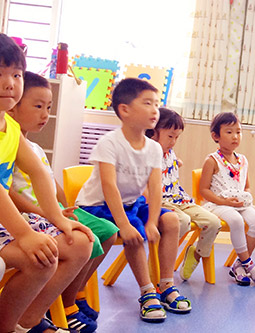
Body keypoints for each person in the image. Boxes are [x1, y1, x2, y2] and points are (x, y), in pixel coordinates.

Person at [8, 71, 119, 332]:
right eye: (37, 106)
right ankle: (64, 304)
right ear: (13, 109)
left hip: (50, 212)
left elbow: (48, 181)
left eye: (48, 107)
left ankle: (74, 294)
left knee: (106, 232)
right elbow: (9, 193)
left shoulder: (33, 148)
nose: (45, 114)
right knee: (83, 238)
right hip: (31, 216)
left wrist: (67, 207)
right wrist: (47, 213)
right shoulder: (11, 145)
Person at [75, 78, 191, 323]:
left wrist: (152, 221)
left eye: (156, 104)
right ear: (124, 110)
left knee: (170, 220)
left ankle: (165, 285)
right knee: (135, 231)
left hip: (131, 203)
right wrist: (127, 225)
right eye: (147, 103)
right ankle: (147, 292)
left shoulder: (154, 148)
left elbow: (155, 187)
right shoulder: (110, 143)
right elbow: (109, 187)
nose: (154, 110)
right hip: (97, 206)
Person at [0, 32, 93, 333]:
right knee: (40, 259)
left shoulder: (9, 126)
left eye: (15, 74)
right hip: (8, 221)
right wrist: (26, 235)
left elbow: (40, 174)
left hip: (6, 222)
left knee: (80, 242)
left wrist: (57, 219)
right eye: (0, 74)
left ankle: (27, 321)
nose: (9, 83)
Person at [146, 108, 221, 281]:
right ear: (154, 132)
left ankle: (196, 254)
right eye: (170, 136)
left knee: (213, 222)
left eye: (177, 137)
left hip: (180, 199)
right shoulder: (148, 150)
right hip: (161, 202)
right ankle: (157, 269)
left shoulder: (168, 151)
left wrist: (175, 162)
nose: (173, 142)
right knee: (182, 222)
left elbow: (168, 163)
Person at [199, 112, 255, 286]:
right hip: (217, 204)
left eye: (238, 132)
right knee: (236, 220)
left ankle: (239, 265)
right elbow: (203, 190)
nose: (235, 136)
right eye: (229, 132)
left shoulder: (243, 160)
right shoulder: (212, 160)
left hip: (239, 204)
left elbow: (246, 186)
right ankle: (250, 265)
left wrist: (244, 196)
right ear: (216, 136)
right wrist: (225, 202)